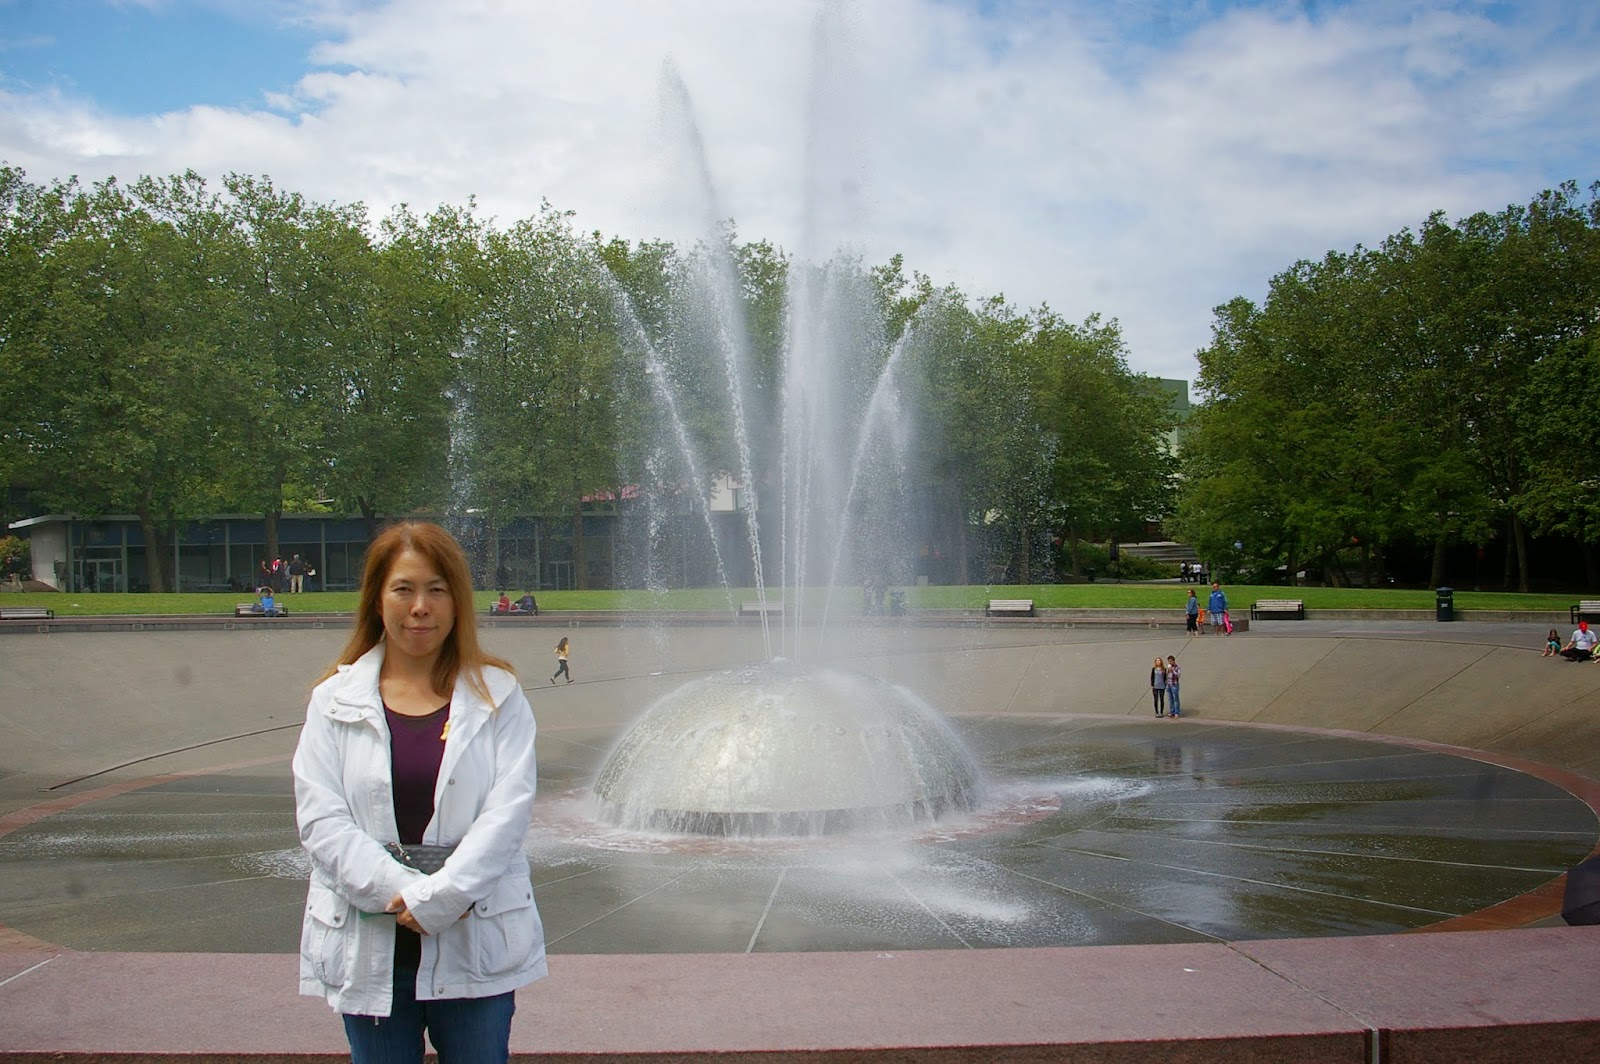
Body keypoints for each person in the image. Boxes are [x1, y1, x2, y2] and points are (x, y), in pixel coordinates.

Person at [291, 520, 545, 1063]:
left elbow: (508, 813)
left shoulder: (499, 696)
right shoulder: (332, 702)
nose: (420, 607)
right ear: (377, 599)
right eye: (403, 589)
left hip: (473, 942)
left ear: (457, 602)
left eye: (437, 589)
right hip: (370, 943)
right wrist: (409, 894)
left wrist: (445, 897)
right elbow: (322, 821)